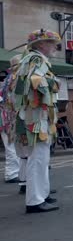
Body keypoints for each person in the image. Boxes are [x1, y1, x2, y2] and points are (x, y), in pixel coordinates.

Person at [14, 29, 61, 213]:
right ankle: (34, 200)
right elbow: (36, 84)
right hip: (36, 116)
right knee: (38, 158)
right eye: (50, 43)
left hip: (37, 115)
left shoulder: (30, 59)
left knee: (41, 157)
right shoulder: (36, 59)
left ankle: (42, 193)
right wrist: (55, 84)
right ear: (41, 45)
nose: (54, 47)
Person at [1, 55, 21, 184]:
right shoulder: (13, 80)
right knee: (11, 146)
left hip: (8, 118)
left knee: (12, 146)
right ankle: (11, 174)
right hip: (8, 119)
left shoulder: (9, 80)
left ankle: (14, 172)